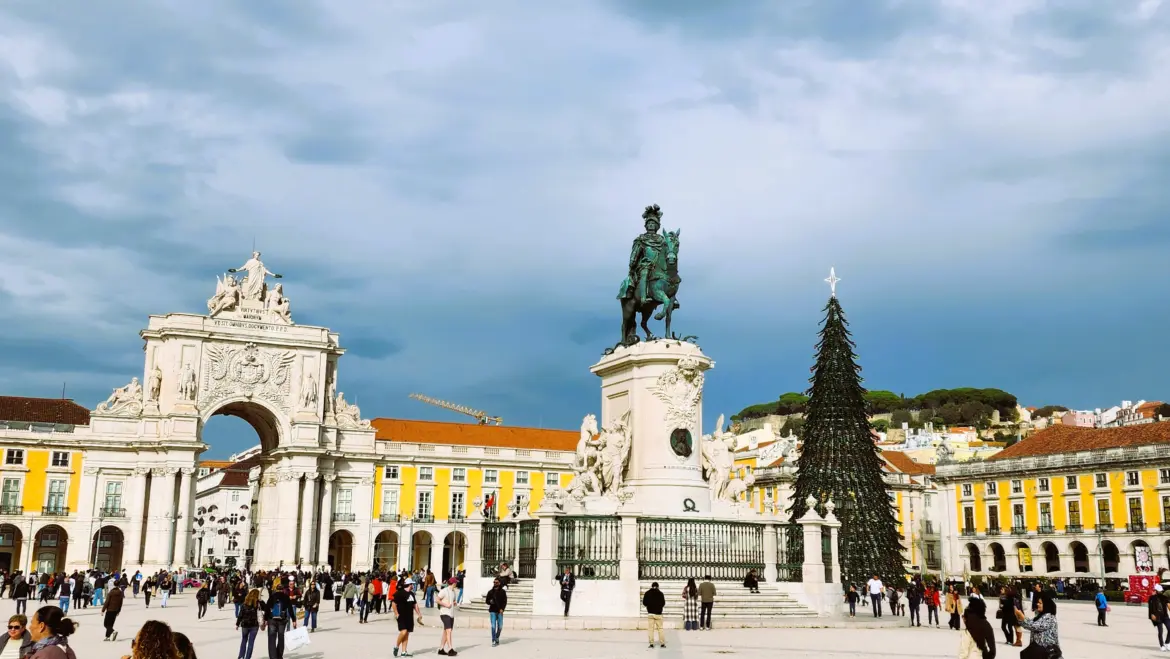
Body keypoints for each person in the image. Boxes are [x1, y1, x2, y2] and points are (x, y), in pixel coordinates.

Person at [1015, 592, 1060, 658]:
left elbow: (1034, 626)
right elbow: (1030, 623)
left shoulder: (1049, 617)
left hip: (1047, 649)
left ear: (1046, 605)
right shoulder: (1040, 616)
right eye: (1038, 602)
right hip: (1038, 648)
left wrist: (1022, 617)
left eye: (1040, 603)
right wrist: (1020, 618)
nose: (1037, 604)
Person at [262, 585, 295, 659]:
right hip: (282, 620)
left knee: (272, 639)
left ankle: (273, 657)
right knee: (281, 637)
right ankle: (279, 655)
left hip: (272, 619)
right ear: (283, 589)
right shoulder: (286, 597)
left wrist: (265, 619)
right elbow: (290, 608)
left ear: (276, 589)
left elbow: (267, 608)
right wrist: (294, 619)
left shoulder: (272, 597)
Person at [392, 580, 423, 657]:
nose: (413, 586)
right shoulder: (400, 593)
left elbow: (415, 605)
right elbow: (393, 603)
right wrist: (396, 614)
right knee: (403, 632)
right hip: (401, 616)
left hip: (409, 616)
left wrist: (419, 614)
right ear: (409, 585)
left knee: (407, 634)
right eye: (412, 584)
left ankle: (403, 652)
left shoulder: (412, 594)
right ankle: (396, 646)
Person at [236, 589, 262, 659]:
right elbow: (266, 609)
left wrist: (237, 624)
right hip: (254, 625)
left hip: (245, 624)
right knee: (251, 643)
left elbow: (240, 614)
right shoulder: (258, 604)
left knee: (244, 641)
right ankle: (247, 657)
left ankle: (241, 656)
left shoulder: (245, 604)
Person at [436, 577, 459, 656]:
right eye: (456, 582)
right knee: (448, 630)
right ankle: (450, 649)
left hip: (451, 613)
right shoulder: (444, 591)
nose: (456, 584)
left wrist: (454, 602)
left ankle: (441, 649)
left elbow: (453, 601)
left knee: (446, 632)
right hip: (444, 613)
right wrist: (445, 604)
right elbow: (437, 600)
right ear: (453, 583)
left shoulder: (453, 592)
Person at [642, 582, 666, 648]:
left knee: (650, 629)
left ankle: (651, 644)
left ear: (651, 586)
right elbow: (663, 603)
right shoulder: (661, 594)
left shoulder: (647, 593)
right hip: (658, 613)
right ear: (658, 587)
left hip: (650, 613)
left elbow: (644, 602)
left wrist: (649, 605)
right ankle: (662, 643)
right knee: (660, 629)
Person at [101, 576, 124, 642]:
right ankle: (107, 637)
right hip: (116, 610)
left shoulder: (111, 592)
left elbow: (107, 602)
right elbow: (121, 603)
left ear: (114, 584)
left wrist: (103, 610)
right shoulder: (120, 593)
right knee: (110, 624)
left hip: (110, 610)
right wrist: (119, 611)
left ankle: (113, 632)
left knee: (106, 624)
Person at [486, 578, 507, 648]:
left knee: (500, 626)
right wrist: (490, 602)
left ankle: (497, 637)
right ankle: (493, 640)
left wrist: (502, 609)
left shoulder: (503, 592)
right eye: (494, 582)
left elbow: (505, 601)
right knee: (493, 626)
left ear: (499, 583)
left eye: (496, 582)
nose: (495, 583)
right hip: (492, 611)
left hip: (500, 611)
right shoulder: (490, 592)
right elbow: (487, 601)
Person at [1150, 584, 1170, 652]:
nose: (1160, 592)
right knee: (1160, 631)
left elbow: (1168, 605)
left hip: (1165, 616)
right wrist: (1151, 615)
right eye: (1159, 591)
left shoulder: (1164, 597)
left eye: (1161, 591)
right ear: (1156, 591)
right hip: (1157, 617)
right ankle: (1162, 645)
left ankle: (1167, 643)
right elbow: (1150, 608)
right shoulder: (1152, 598)